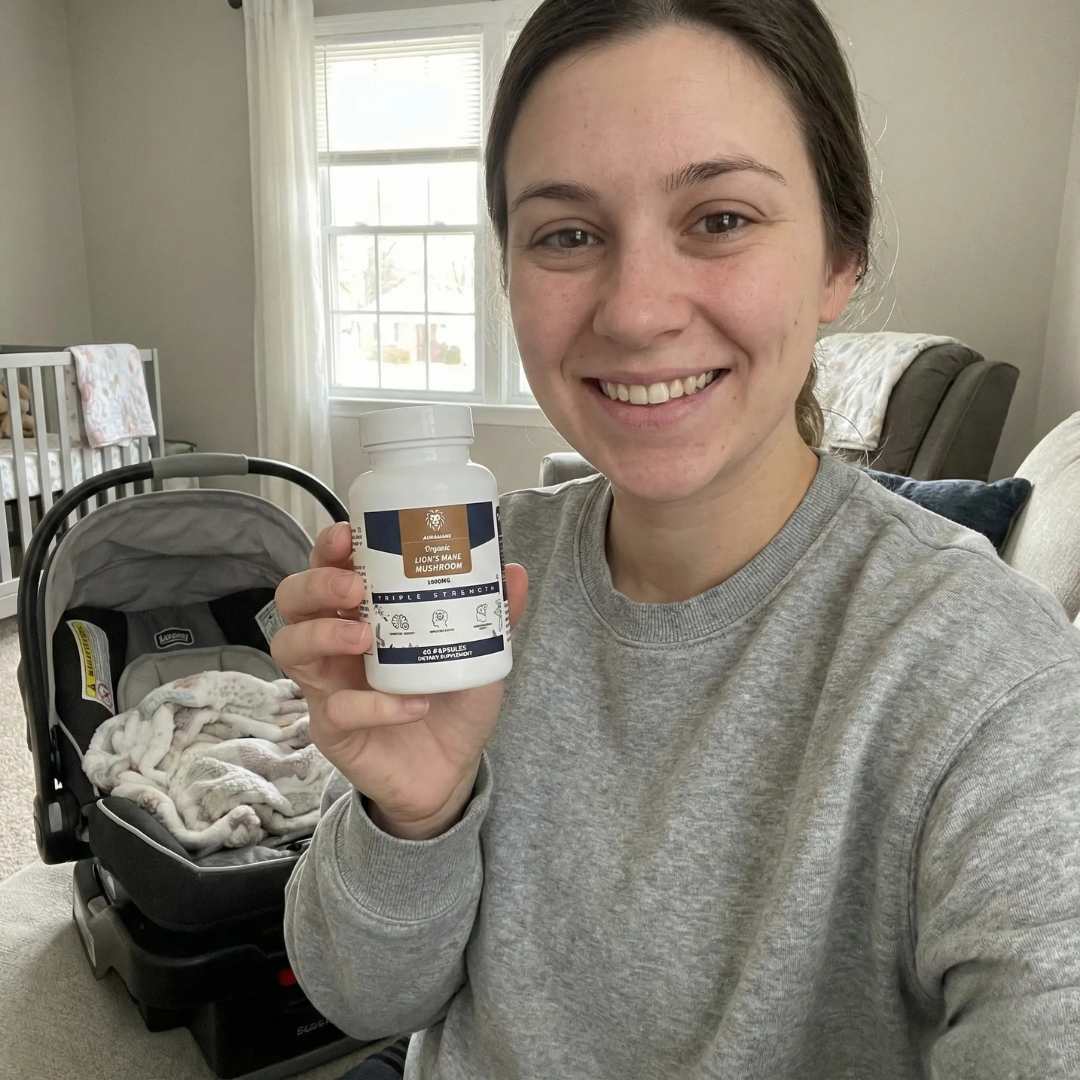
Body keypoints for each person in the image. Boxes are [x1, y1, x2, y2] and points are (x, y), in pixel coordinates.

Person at [272, 1, 1080, 1076]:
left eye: (720, 219)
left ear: (842, 255)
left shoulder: (990, 677)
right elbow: (368, 998)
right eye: (567, 233)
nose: (637, 311)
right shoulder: (473, 579)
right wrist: (411, 814)